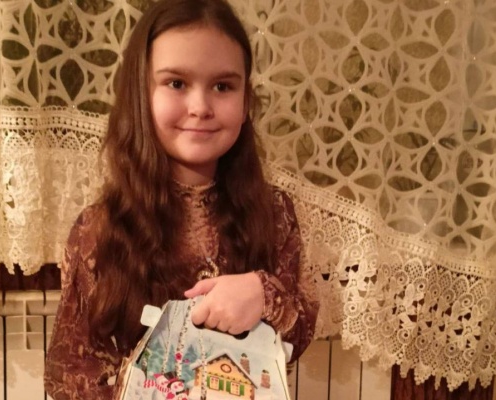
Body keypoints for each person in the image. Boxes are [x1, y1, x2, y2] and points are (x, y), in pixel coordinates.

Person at [43, 0, 319, 398]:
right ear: (141, 94)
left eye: (222, 86)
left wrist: (265, 296)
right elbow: (69, 376)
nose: (200, 107)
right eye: (176, 83)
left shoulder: (274, 213)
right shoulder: (98, 229)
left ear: (246, 102)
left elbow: (297, 337)